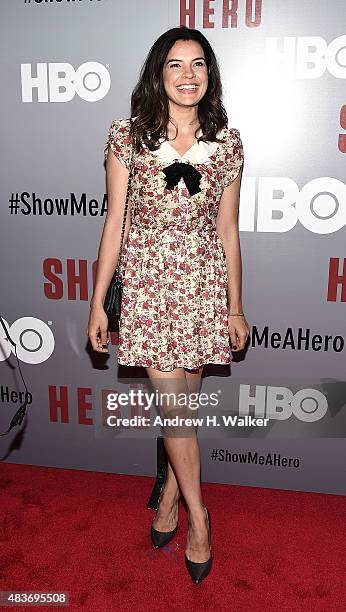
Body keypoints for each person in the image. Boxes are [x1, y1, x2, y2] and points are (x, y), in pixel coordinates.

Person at [87, 25, 250, 584]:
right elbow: (114, 223)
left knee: (184, 413)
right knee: (177, 413)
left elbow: (228, 231)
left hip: (201, 289)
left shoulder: (227, 142)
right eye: (176, 65)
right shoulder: (127, 136)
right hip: (150, 289)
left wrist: (235, 306)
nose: (188, 75)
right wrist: (97, 304)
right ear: (159, 73)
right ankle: (200, 520)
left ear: (211, 74)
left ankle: (167, 502)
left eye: (199, 64)